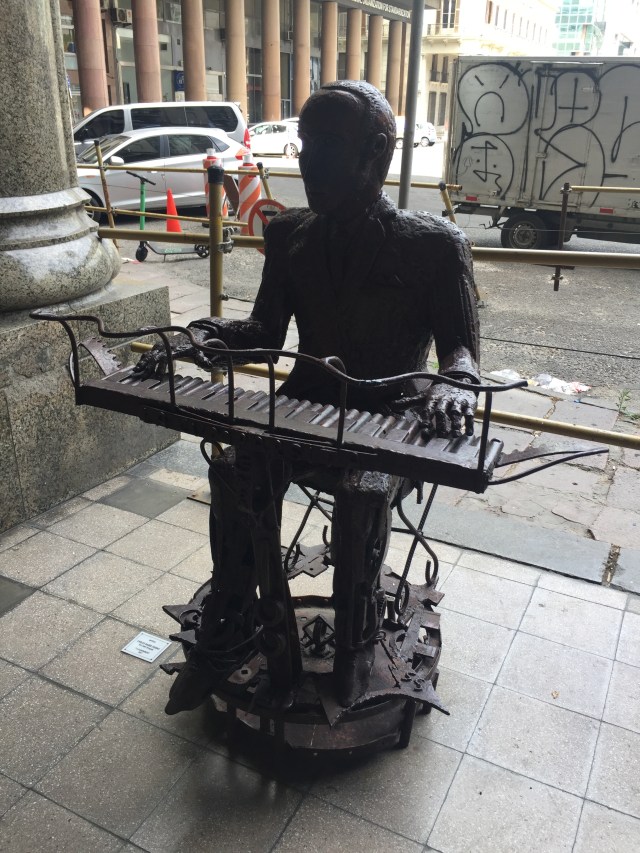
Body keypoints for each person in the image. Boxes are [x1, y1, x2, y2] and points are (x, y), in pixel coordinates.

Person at [134, 80, 480, 713]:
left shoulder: (434, 246)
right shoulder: (289, 235)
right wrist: (198, 335)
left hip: (387, 417)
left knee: (362, 492)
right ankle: (231, 620)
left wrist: (454, 389)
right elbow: (264, 334)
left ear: (376, 153)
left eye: (328, 145)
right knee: (234, 471)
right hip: (305, 405)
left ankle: (355, 644)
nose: (308, 160)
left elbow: (461, 354)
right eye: (305, 143)